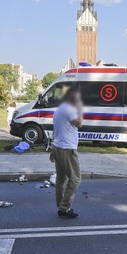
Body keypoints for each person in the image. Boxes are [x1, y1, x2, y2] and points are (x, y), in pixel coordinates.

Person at [50, 88, 83, 218]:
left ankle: (60, 205)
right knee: (75, 179)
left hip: (58, 147)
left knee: (61, 179)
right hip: (67, 149)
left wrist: (53, 148)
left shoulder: (58, 110)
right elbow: (79, 124)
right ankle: (64, 207)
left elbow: (55, 130)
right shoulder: (70, 110)